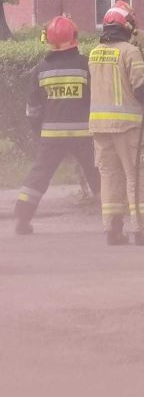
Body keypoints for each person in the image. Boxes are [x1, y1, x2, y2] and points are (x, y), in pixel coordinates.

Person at [88, 6, 144, 246]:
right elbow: (140, 88)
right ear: (126, 27)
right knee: (138, 176)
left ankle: (113, 230)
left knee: (109, 178)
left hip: (100, 129)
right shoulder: (130, 52)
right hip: (128, 128)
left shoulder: (93, 53)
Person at [14, 16, 100, 235]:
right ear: (74, 38)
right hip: (84, 133)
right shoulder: (85, 65)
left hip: (52, 135)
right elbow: (97, 98)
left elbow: (32, 109)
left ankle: (22, 219)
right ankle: (113, 222)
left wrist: (39, 131)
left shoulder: (41, 69)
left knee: (39, 174)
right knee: (97, 173)